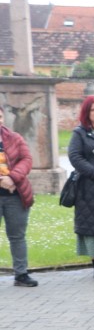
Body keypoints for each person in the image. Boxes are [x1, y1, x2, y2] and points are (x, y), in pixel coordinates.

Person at [68, 95, 94, 279]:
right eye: (93, 109)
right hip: (88, 187)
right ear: (87, 112)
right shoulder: (80, 133)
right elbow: (75, 157)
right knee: (92, 226)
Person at [0, 106, 37, 287]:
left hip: (15, 195)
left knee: (17, 236)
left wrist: (12, 177)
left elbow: (27, 159)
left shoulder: (14, 138)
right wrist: (2, 179)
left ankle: (21, 274)